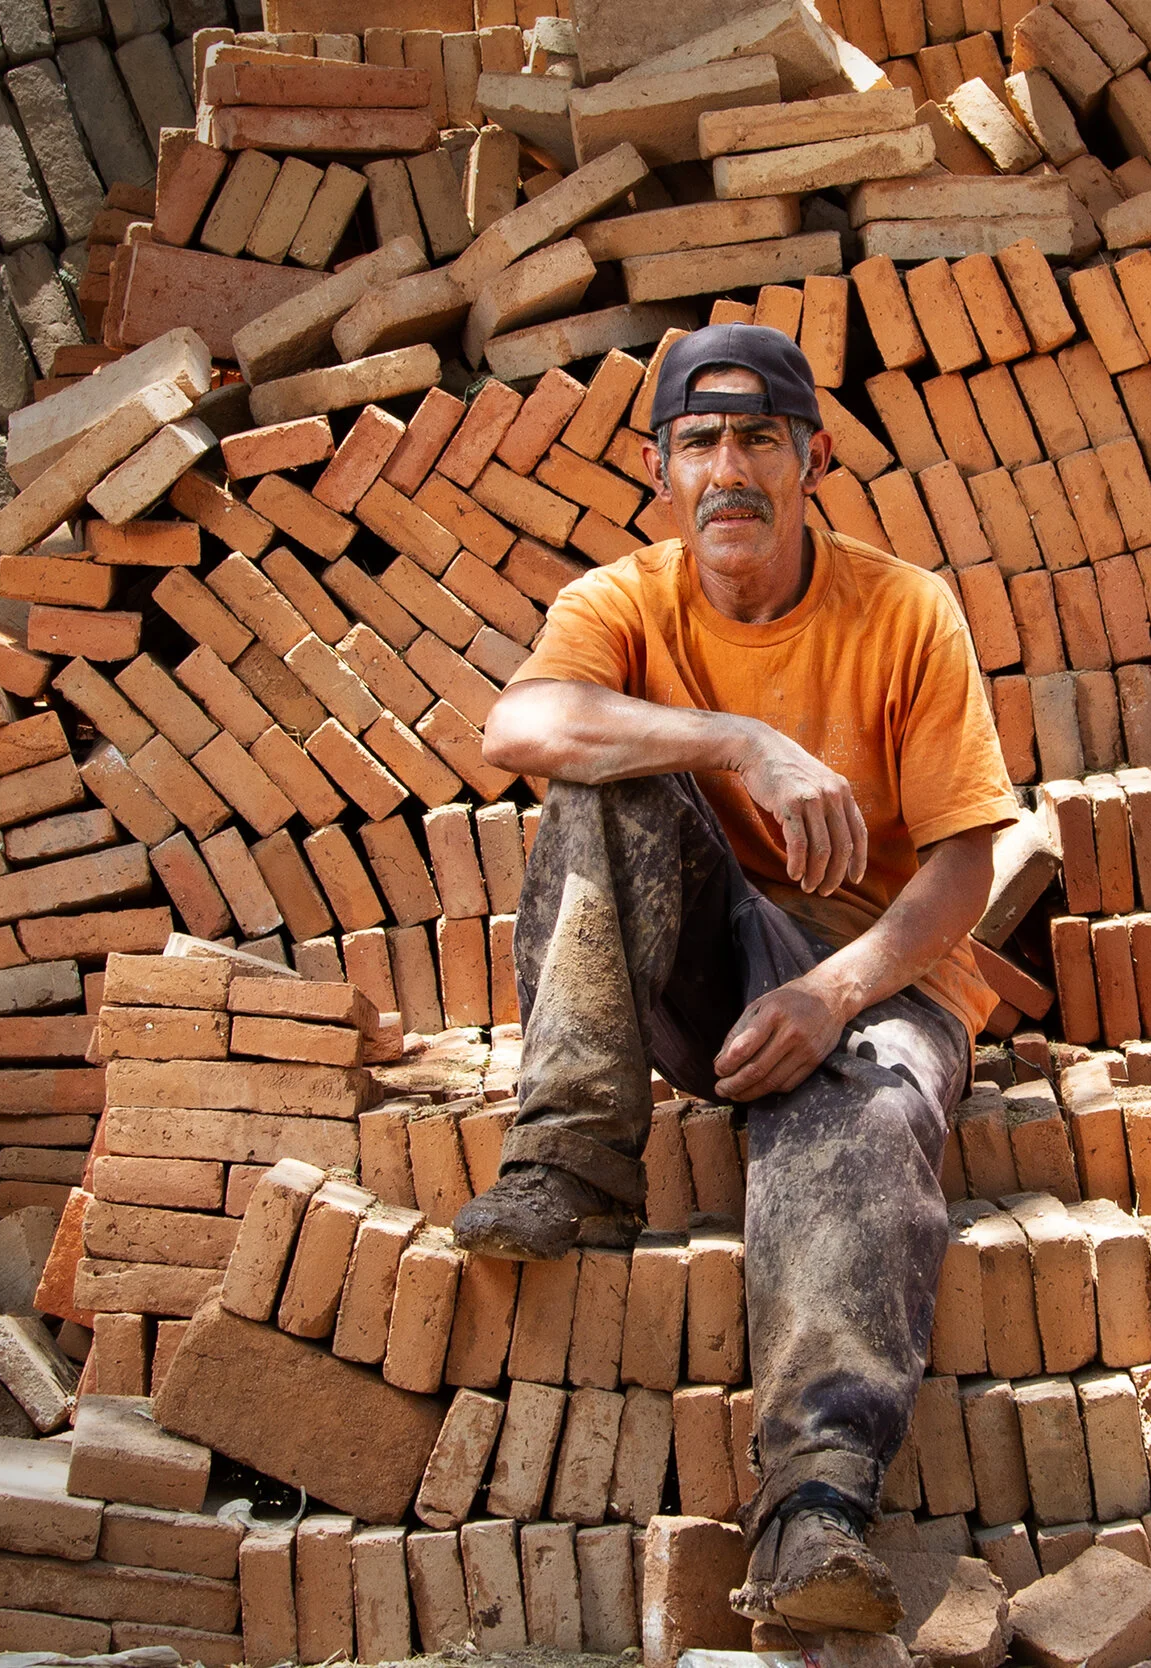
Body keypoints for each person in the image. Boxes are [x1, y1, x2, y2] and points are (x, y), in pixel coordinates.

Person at [456, 323, 1019, 1634]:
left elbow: (965, 868)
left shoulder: (905, 611)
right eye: (699, 442)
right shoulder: (622, 603)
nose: (729, 470)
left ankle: (816, 1507)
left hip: (876, 971)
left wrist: (838, 993)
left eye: (760, 438)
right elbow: (517, 726)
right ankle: (571, 1153)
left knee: (870, 1115)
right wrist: (736, 739)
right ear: (661, 471)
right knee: (601, 776)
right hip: (709, 968)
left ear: (813, 459)